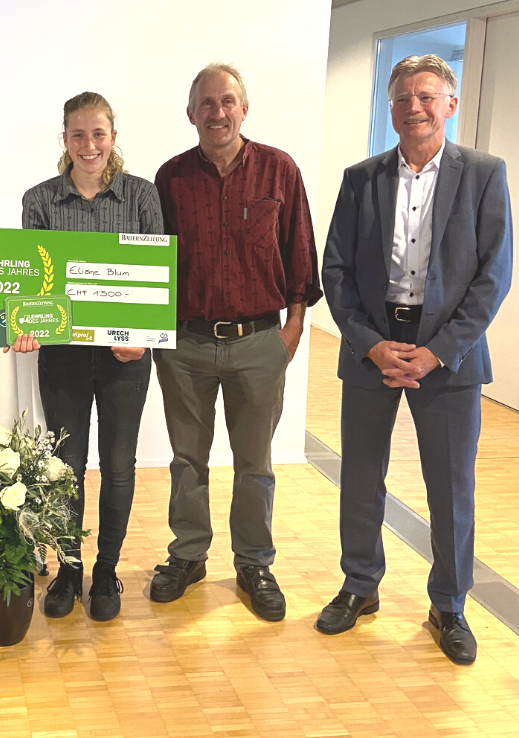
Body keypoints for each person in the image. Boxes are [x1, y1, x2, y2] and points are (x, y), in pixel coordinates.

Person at [318, 54, 512, 666]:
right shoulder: (361, 178)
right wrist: (369, 343)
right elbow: (335, 270)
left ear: (449, 103)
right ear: (392, 107)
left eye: (427, 96)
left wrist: (437, 352)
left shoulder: (483, 174)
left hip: (448, 354)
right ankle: (360, 585)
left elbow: (493, 277)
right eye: (403, 97)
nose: (414, 107)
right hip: (373, 344)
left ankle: (449, 604)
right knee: (360, 477)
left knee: (451, 486)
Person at [149, 64, 322, 621]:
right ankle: (188, 555)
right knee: (187, 459)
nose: (217, 112)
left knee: (255, 464)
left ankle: (253, 563)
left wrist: (293, 327)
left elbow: (300, 251)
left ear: (244, 109)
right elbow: (150, 261)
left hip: (259, 341)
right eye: (206, 102)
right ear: (190, 113)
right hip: (186, 344)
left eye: (227, 101)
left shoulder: (279, 169)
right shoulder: (171, 178)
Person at [9, 91, 163, 621]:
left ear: (113, 137)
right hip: (63, 358)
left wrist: (144, 336)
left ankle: (106, 572)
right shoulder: (39, 200)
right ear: (65, 139)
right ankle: (69, 570)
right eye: (78, 134)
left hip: (125, 357)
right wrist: (25, 325)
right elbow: (30, 282)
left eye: (98, 133)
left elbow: (156, 277)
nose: (89, 144)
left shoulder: (142, 196)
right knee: (66, 467)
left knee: (119, 466)